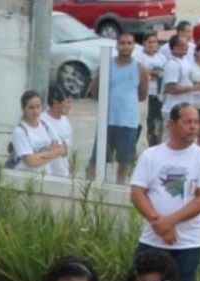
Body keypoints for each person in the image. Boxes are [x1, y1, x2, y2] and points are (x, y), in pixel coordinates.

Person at [129, 104, 200, 281]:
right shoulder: (151, 155)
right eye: (187, 122)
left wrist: (170, 221)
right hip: (152, 241)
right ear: (171, 124)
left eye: (196, 122)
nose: (193, 127)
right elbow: (137, 192)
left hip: (186, 244)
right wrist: (157, 222)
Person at [87, 31, 148, 185]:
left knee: (124, 161)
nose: (126, 46)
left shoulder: (140, 68)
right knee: (97, 158)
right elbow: (94, 89)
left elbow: (142, 94)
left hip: (128, 121)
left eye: (129, 43)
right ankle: (89, 186)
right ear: (117, 45)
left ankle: (119, 188)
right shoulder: (108, 64)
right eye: (122, 43)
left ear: (134, 45)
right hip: (107, 119)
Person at [7, 89, 65, 176]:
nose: (35, 111)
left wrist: (39, 156)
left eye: (38, 107)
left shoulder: (46, 125)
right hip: (26, 178)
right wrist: (51, 152)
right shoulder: (20, 131)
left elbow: (61, 149)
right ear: (24, 109)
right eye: (31, 108)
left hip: (46, 175)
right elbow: (31, 161)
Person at [135, 33, 166, 147]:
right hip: (142, 95)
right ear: (144, 43)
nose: (152, 45)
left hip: (157, 95)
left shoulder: (161, 58)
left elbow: (165, 72)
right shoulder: (138, 57)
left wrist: (152, 73)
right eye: (149, 42)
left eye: (154, 42)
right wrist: (152, 73)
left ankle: (154, 146)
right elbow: (139, 72)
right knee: (138, 122)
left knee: (155, 124)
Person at [41, 85, 74, 178]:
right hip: (48, 174)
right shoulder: (42, 122)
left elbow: (68, 148)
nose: (70, 106)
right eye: (67, 102)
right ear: (55, 103)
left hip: (64, 174)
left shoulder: (65, 121)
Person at [159, 36, 193, 125]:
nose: (185, 48)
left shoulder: (186, 61)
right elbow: (171, 88)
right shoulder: (172, 64)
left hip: (184, 107)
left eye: (186, 45)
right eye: (182, 45)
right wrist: (192, 88)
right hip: (173, 108)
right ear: (174, 47)